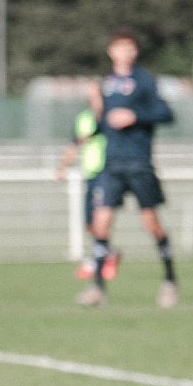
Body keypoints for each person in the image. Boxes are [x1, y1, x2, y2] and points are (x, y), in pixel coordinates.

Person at [76, 28, 178, 308]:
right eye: (119, 47)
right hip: (112, 164)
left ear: (135, 51)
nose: (124, 52)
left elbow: (166, 113)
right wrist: (87, 132)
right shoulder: (105, 84)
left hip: (139, 163)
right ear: (111, 51)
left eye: (129, 47)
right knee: (100, 224)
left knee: (151, 223)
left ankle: (170, 280)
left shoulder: (144, 81)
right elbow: (104, 123)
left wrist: (135, 115)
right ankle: (98, 288)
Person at [56, 89, 109, 280]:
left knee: (100, 219)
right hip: (91, 174)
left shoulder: (111, 117)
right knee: (90, 223)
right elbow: (74, 144)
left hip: (108, 174)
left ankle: (94, 263)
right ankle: (108, 253)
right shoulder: (83, 119)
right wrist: (63, 166)